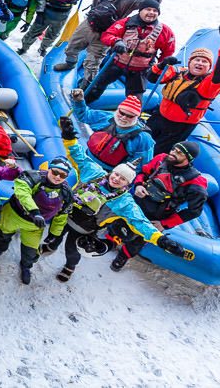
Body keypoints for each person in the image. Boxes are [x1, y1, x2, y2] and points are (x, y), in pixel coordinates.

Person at [43, 117, 191, 282]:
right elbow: (78, 155)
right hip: (64, 216)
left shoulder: (124, 202)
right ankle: (51, 246)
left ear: (128, 183)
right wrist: (69, 135)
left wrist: (161, 240)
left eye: (123, 179)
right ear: (112, 172)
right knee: (54, 235)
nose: (116, 179)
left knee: (72, 251)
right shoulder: (94, 173)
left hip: (83, 230)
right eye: (116, 174)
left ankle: (69, 267)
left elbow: (141, 223)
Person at [56, 0, 162, 88]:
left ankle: (86, 86)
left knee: (93, 63)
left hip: (106, 34)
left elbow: (153, 2)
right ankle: (70, 63)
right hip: (88, 26)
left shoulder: (129, 0)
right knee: (72, 46)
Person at [108, 140, 207, 272]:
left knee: (139, 240)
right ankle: (110, 241)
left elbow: (194, 211)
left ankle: (122, 257)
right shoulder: (161, 159)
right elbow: (143, 173)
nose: (173, 153)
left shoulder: (196, 183)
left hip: (157, 215)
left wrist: (164, 224)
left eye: (179, 153)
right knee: (119, 223)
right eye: (174, 149)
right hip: (138, 201)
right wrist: (138, 185)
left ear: (188, 159)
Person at [145, 27, 220, 154]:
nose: (199, 63)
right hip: (159, 116)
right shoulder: (178, 73)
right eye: (196, 60)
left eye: (204, 61)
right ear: (190, 62)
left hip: (179, 127)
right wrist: (162, 65)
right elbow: (152, 77)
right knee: (142, 140)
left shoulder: (209, 85)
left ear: (209, 67)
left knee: (157, 151)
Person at [0, 156, 74, 285]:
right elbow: (22, 192)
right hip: (14, 214)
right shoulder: (33, 176)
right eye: (55, 172)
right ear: (49, 169)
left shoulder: (66, 193)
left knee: (31, 249)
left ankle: (26, 266)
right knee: (3, 233)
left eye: (62, 175)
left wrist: (54, 234)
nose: (57, 177)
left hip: (35, 225)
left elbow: (62, 215)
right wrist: (35, 212)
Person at [84, 0, 175, 105]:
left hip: (140, 71)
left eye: (155, 11)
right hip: (116, 64)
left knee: (135, 101)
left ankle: (131, 118)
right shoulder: (125, 23)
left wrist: (159, 67)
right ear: (140, 11)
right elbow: (107, 35)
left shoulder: (165, 31)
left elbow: (168, 51)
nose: (151, 13)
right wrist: (116, 41)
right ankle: (81, 104)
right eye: (148, 9)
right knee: (96, 87)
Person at [70, 90, 154, 169]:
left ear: (137, 117)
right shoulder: (107, 117)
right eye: (122, 113)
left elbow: (141, 165)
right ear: (118, 110)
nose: (124, 118)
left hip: (106, 173)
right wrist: (79, 101)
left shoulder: (143, 139)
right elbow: (85, 115)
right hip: (85, 158)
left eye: (130, 116)